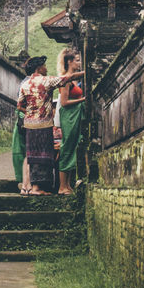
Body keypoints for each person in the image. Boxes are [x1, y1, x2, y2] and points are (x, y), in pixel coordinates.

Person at [17, 55, 83, 195]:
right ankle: (38, 189)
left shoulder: (25, 84)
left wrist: (31, 113)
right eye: (44, 66)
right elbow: (67, 79)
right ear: (39, 68)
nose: (46, 68)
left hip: (29, 125)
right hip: (44, 124)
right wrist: (85, 73)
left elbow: (19, 105)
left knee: (33, 155)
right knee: (44, 155)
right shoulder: (46, 81)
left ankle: (34, 187)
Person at [56, 49, 87, 195]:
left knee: (73, 145)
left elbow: (81, 74)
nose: (79, 63)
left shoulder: (73, 78)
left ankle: (67, 184)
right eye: (76, 60)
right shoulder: (65, 80)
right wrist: (83, 100)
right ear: (69, 62)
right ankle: (62, 186)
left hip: (74, 114)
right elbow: (64, 102)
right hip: (69, 115)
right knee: (67, 146)